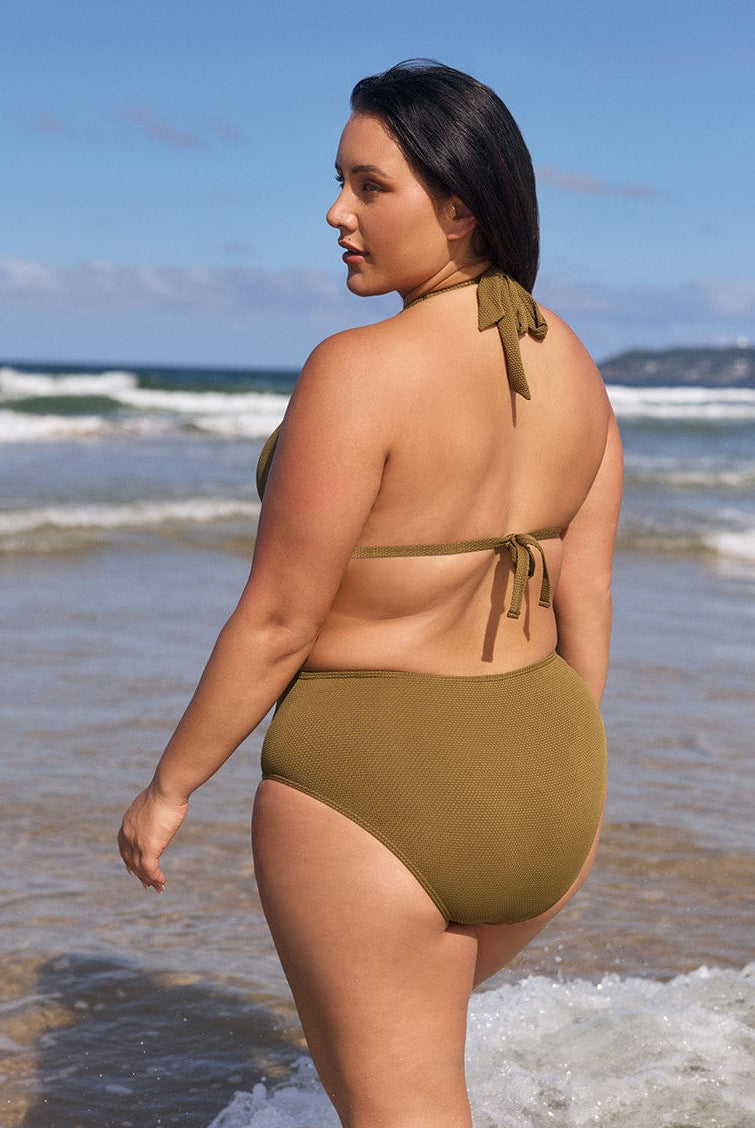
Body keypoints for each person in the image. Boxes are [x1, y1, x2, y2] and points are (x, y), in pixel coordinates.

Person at [119, 60, 623, 1128]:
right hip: (550, 778)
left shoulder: (357, 370)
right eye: (340, 183)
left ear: (457, 208)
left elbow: (276, 619)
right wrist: (546, 762)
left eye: (368, 186)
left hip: (378, 787)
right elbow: (585, 594)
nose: (335, 212)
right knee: (402, 1082)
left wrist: (169, 789)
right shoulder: (576, 364)